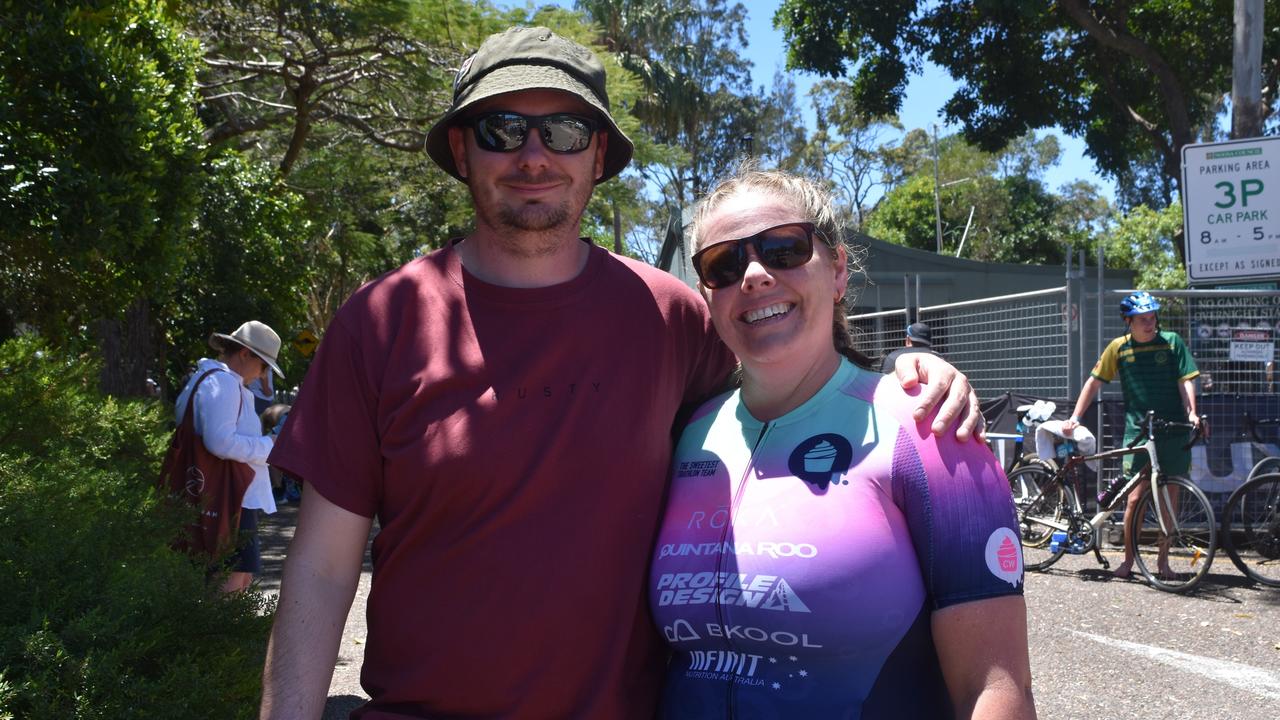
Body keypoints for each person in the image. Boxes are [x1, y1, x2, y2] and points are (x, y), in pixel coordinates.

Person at [260, 26, 984, 720]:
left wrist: (900, 377)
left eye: (565, 133)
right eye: (502, 130)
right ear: (461, 148)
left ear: (598, 156)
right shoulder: (379, 321)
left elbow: (791, 381)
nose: (534, 156)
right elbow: (322, 572)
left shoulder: (670, 316)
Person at [648, 166, 1035, 718]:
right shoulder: (686, 434)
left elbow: (996, 689)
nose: (754, 275)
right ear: (706, 294)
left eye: (784, 248)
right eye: (724, 264)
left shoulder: (928, 430)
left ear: (837, 270)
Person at [1062, 291, 1200, 579]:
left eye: (1152, 318)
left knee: (1168, 498)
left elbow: (1185, 379)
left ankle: (1163, 563)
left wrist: (1192, 413)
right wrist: (1075, 417)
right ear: (1128, 321)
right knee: (1135, 499)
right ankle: (1128, 561)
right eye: (1142, 319)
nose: (1149, 324)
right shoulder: (1118, 348)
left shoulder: (1172, 342)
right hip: (1138, 432)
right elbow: (1093, 382)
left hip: (1172, 429)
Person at [174, 320, 283, 593]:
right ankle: (221, 635)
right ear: (245, 354)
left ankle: (218, 633)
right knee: (233, 581)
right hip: (229, 498)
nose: (262, 375)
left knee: (233, 576)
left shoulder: (206, 380)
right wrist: (269, 444)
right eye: (263, 366)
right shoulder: (223, 383)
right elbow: (220, 442)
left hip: (217, 494)